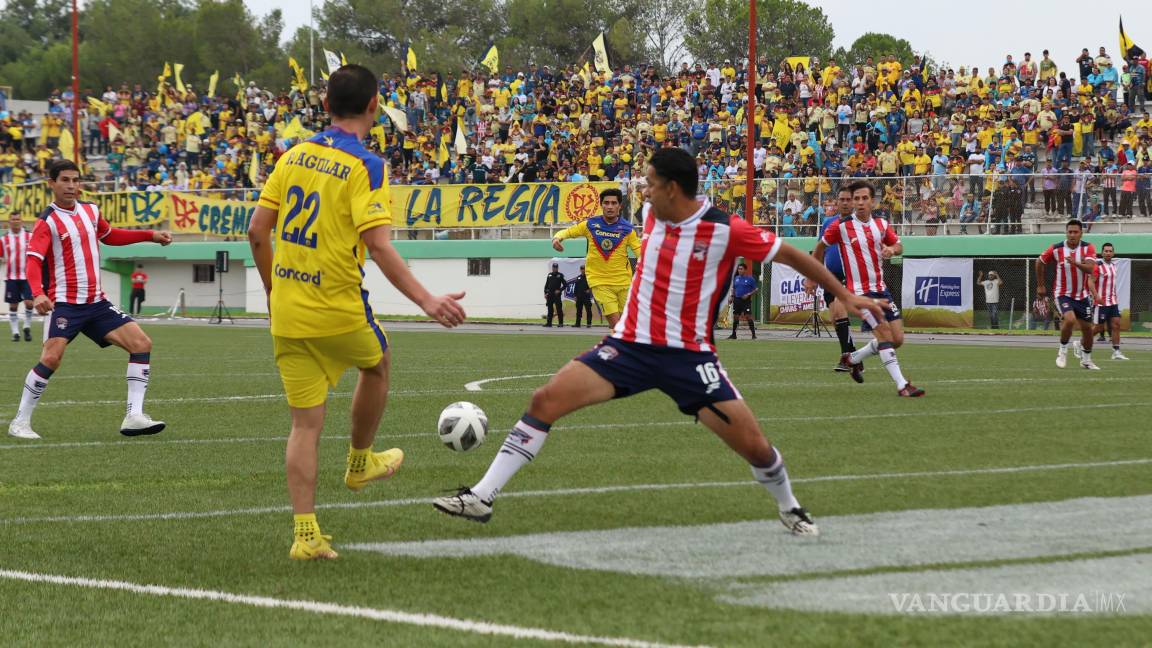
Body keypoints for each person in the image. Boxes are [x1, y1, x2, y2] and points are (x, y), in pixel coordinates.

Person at [432, 147, 889, 535]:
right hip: (628, 346)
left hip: (689, 358)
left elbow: (789, 253)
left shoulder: (725, 229)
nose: (644, 192)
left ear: (672, 188)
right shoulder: (651, 214)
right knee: (545, 399)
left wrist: (845, 294)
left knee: (754, 447)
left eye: (650, 183)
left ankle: (789, 506)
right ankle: (481, 496)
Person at [247, 64, 467, 561]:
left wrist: (269, 287)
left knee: (304, 427)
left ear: (325, 106)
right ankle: (360, 462)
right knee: (378, 362)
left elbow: (258, 231)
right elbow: (380, 247)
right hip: (337, 306)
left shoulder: (292, 155)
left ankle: (306, 536)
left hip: (287, 307)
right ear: (374, 107)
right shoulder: (367, 165)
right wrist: (428, 301)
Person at [8, 160, 172, 441]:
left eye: (75, 180)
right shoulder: (47, 222)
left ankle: (134, 416)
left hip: (96, 303)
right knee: (51, 357)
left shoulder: (91, 211)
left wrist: (150, 235)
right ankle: (20, 422)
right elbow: (33, 261)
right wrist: (38, 293)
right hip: (65, 305)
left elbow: (110, 236)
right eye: (65, 180)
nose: (71, 186)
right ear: (52, 184)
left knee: (141, 343)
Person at [805, 180, 925, 397]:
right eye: (855, 199)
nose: (859, 203)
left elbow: (899, 246)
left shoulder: (882, 225)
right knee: (884, 335)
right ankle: (902, 385)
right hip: (858, 293)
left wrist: (892, 250)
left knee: (897, 339)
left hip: (882, 290)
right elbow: (819, 248)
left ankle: (852, 358)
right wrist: (812, 277)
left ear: (873, 201)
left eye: (864, 198)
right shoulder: (840, 227)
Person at [552, 188, 641, 328]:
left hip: (624, 282)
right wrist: (557, 238)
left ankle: (622, 348)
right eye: (606, 203)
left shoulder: (628, 229)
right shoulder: (590, 224)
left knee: (630, 325)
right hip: (599, 282)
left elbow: (639, 252)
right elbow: (568, 232)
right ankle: (620, 348)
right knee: (616, 324)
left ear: (620, 206)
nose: (610, 206)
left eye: (613, 203)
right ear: (601, 204)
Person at [1036, 219, 1099, 370]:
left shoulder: (1088, 248)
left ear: (1081, 233)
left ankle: (1086, 360)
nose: (1072, 235)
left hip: (1082, 295)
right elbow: (1039, 262)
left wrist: (1075, 263)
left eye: (1075, 232)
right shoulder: (1056, 249)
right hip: (1062, 293)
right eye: (1069, 232)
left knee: (1088, 330)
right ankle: (1062, 351)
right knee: (1069, 319)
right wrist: (1040, 285)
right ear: (1066, 232)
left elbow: (1091, 269)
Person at [807, 187, 857, 372]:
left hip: (849, 275)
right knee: (835, 318)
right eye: (841, 199)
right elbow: (819, 250)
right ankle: (853, 355)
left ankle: (847, 358)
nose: (844, 203)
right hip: (830, 276)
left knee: (839, 309)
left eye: (848, 199)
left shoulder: (859, 223)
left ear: (853, 202)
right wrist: (812, 277)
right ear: (837, 202)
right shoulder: (828, 222)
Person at [1087, 243, 1128, 360]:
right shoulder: (1097, 265)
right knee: (1099, 328)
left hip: (1113, 302)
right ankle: (1081, 343)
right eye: (1106, 251)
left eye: (1110, 251)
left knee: (1116, 325)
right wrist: (1096, 296)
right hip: (1101, 302)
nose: (1108, 253)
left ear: (1113, 253)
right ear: (1102, 252)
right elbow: (1090, 282)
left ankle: (1116, 351)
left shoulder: (1114, 266)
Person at [1, 211, 34, 341]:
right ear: (9, 222)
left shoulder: (29, 236)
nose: (15, 221)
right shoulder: (3, 239)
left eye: (18, 219)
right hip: (11, 277)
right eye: (13, 219)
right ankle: (15, 333)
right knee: (13, 306)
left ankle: (26, 327)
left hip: (27, 277)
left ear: (22, 221)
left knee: (29, 303)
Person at [726, 262, 758, 339]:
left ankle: (753, 335)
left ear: (745, 270)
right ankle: (734, 335)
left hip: (746, 301)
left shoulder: (750, 279)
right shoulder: (736, 278)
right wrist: (731, 296)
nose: (739, 270)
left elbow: (756, 289)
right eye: (738, 269)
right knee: (736, 317)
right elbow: (733, 288)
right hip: (737, 300)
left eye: (741, 269)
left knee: (748, 317)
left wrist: (748, 294)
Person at [543, 263, 565, 327]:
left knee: (559, 309)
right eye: (554, 267)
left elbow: (565, 285)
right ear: (552, 268)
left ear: (557, 268)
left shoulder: (560, 275)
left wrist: (559, 290)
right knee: (550, 310)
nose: (555, 268)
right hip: (550, 295)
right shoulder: (549, 275)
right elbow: (546, 285)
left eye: (556, 267)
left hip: (557, 296)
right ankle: (549, 323)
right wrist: (545, 293)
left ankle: (560, 323)